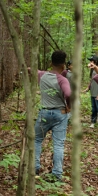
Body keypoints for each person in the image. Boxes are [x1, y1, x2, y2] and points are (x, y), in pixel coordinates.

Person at [34, 50, 71, 180]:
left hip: (44, 113)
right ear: (63, 66)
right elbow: (68, 94)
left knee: (37, 140)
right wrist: (69, 106)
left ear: (51, 63)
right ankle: (57, 174)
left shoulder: (42, 75)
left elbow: (31, 69)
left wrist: (27, 69)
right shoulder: (62, 79)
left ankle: (34, 170)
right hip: (60, 114)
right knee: (59, 144)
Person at [83, 55, 98, 130]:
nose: (90, 62)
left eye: (91, 61)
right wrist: (88, 88)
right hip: (93, 91)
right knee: (93, 108)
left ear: (95, 61)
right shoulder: (92, 70)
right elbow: (92, 80)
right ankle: (93, 122)